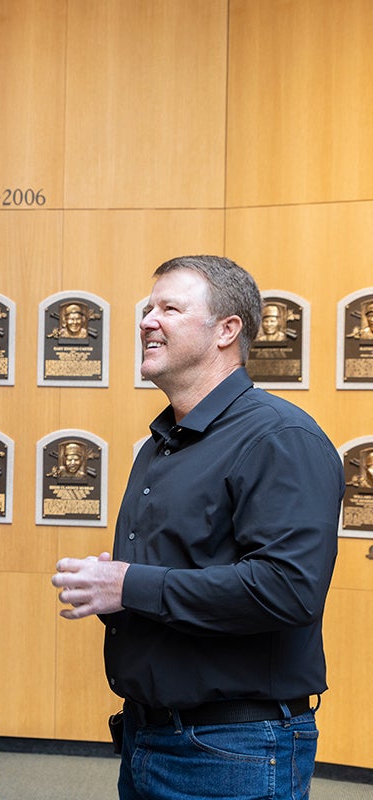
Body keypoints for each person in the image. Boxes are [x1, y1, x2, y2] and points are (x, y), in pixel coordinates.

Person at [51, 255, 342, 800]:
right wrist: (116, 589)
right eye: (146, 308)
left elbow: (288, 589)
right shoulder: (165, 442)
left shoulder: (280, 438)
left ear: (227, 331)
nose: (146, 320)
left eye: (170, 308)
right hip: (149, 738)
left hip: (233, 750)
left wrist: (128, 584)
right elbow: (180, 576)